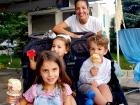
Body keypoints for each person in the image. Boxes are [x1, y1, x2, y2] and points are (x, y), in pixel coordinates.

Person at [7, 51, 77, 105]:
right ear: (40, 72)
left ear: (60, 70)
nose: (50, 74)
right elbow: (20, 103)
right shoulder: (34, 90)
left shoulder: (64, 89)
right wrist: (13, 99)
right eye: (45, 70)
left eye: (54, 69)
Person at [78, 35, 113, 105]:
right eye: (92, 49)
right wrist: (89, 74)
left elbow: (107, 77)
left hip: (100, 83)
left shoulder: (107, 63)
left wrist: (98, 82)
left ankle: (109, 102)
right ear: (89, 50)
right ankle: (104, 103)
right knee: (93, 89)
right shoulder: (86, 63)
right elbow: (81, 78)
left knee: (105, 87)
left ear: (105, 51)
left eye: (99, 49)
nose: (95, 52)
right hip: (85, 85)